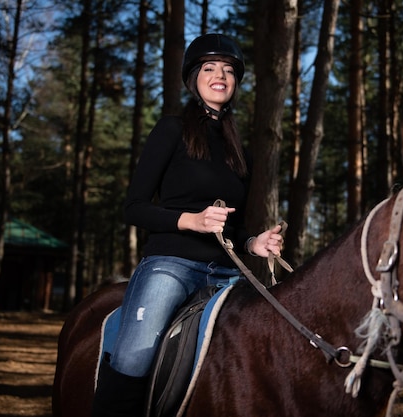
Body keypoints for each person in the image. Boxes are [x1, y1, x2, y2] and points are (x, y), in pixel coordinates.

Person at [91, 33, 284, 417]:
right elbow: (133, 208)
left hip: (229, 273)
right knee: (135, 354)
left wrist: (254, 244)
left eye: (229, 70)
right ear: (194, 77)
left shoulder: (238, 150)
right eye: (210, 68)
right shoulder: (171, 130)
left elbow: (235, 226)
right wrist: (189, 220)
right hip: (171, 264)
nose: (221, 75)